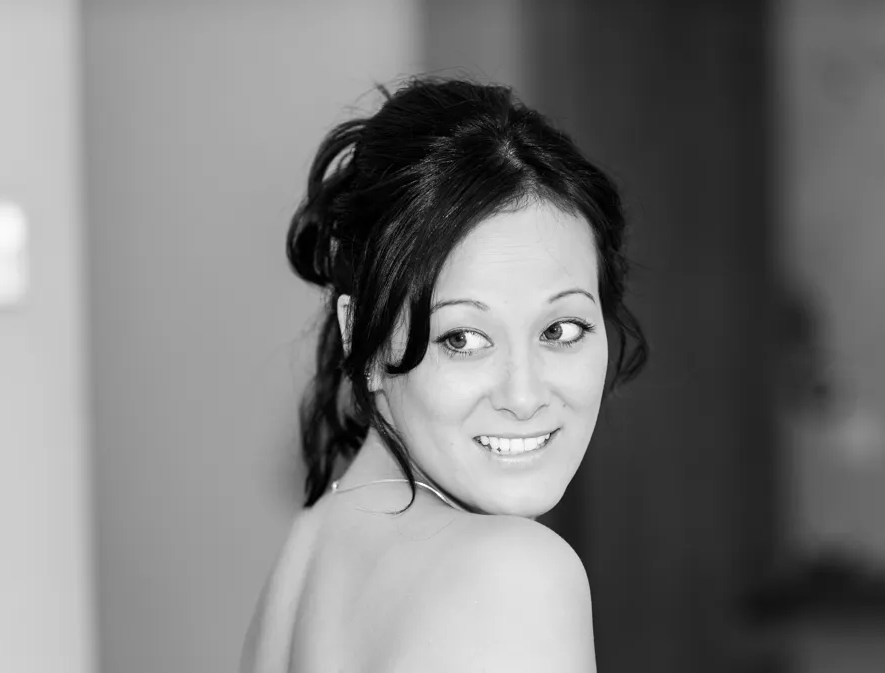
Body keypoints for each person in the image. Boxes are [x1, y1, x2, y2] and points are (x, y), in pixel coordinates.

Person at [240, 77, 647, 673]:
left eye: (560, 330)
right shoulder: (515, 574)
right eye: (462, 339)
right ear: (362, 338)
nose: (525, 395)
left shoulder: (305, 561)